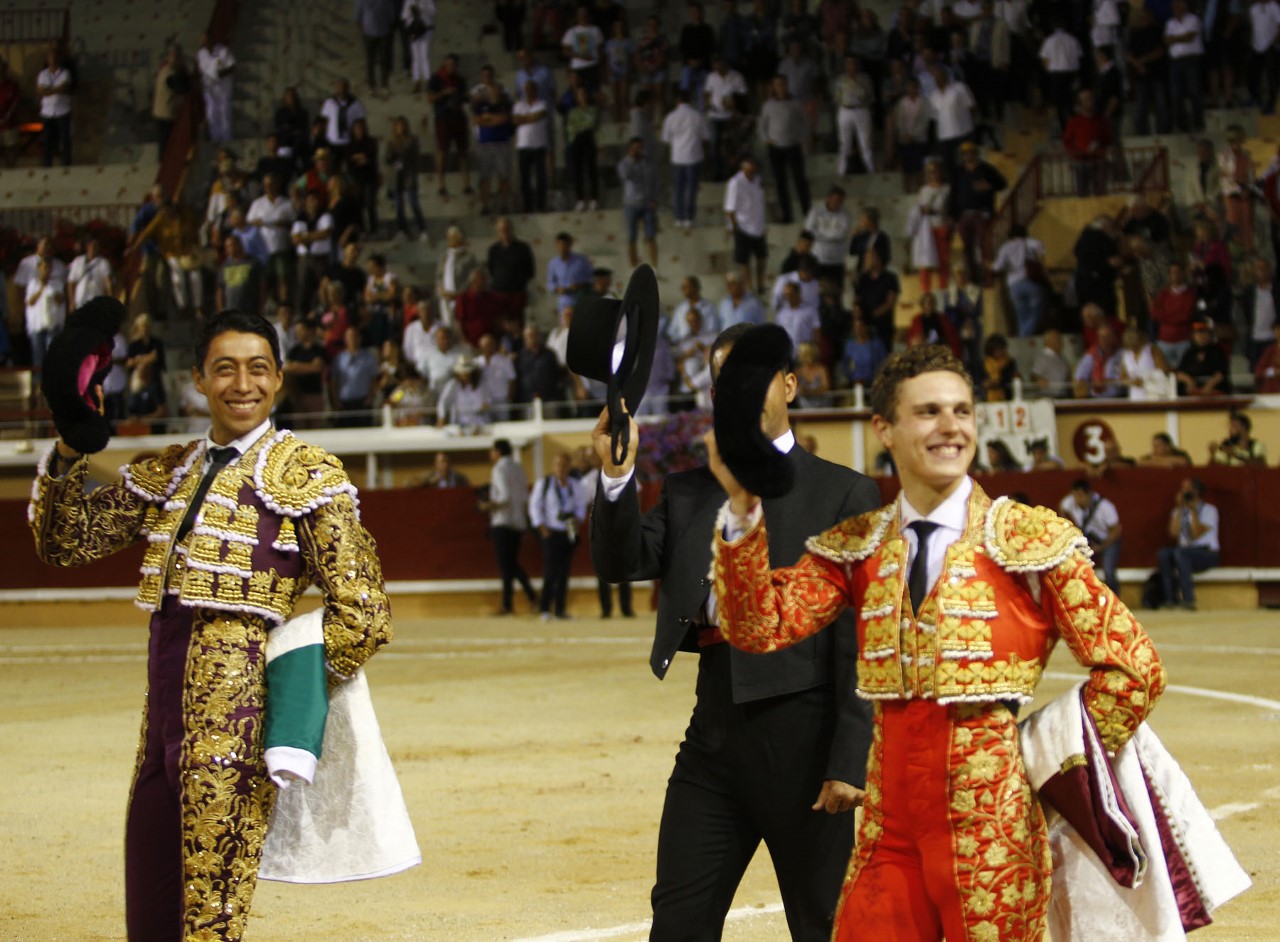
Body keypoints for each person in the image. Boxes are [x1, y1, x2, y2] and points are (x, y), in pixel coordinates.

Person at [706, 343, 1165, 942]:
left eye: (962, 411)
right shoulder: (861, 545)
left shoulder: (1027, 541)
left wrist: (1045, 764)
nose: (951, 426)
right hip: (890, 833)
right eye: (928, 412)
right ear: (885, 430)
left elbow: (1135, 670)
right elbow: (758, 626)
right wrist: (743, 511)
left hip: (992, 831)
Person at [29, 308, 391, 940]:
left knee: (208, 917)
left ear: (279, 378)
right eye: (225, 369)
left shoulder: (307, 475)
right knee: (152, 907)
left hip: (237, 727)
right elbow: (65, 541)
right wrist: (71, 441)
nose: (242, 384)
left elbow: (364, 615)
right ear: (198, 379)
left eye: (258, 368)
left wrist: (281, 695)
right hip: (161, 721)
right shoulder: (172, 470)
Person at [590, 322, 880, 942]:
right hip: (713, 734)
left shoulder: (844, 491)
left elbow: (861, 637)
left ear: (790, 386)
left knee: (825, 927)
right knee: (679, 924)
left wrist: (850, 757)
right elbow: (620, 563)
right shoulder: (689, 490)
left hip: (807, 744)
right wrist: (617, 477)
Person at [480, 439, 538, 614]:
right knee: (511, 564)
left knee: (507, 565)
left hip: (502, 521)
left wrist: (488, 505)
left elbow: (504, 496)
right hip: (518, 522)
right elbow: (525, 497)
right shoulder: (518, 468)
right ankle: (522, 600)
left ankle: (515, 602)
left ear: (498, 452)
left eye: (492, 451)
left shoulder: (499, 469)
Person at [530, 452, 586, 620]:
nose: (560, 468)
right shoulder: (544, 483)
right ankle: (545, 608)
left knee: (564, 572)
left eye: (564, 464)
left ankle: (560, 609)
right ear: (553, 466)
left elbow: (581, 507)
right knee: (550, 571)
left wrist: (576, 520)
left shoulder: (575, 485)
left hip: (568, 531)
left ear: (568, 466)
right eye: (558, 464)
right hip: (551, 531)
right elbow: (534, 506)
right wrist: (541, 526)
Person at [947, 142, 1006, 285]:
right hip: (964, 215)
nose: (968, 156)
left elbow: (1002, 183)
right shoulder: (958, 172)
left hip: (982, 213)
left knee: (984, 246)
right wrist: (952, 215)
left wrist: (989, 186)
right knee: (967, 249)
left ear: (976, 153)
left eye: (971, 152)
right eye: (965, 153)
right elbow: (953, 194)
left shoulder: (986, 169)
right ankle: (973, 279)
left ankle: (987, 277)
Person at [1157, 478, 1219, 610]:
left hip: (1206, 554)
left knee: (1181, 554)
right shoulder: (1178, 511)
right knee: (1164, 554)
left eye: (1187, 489)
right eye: (1183, 489)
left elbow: (1196, 533)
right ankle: (1170, 599)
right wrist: (1180, 509)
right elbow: (1173, 533)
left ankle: (1188, 599)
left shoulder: (1209, 510)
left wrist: (1193, 511)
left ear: (1196, 491)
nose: (1183, 492)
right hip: (1183, 553)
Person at [759, 74, 811, 224]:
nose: (780, 87)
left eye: (782, 84)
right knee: (780, 182)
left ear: (787, 85)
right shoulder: (768, 105)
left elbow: (804, 122)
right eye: (777, 85)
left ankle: (807, 211)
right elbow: (762, 125)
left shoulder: (795, 103)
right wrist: (767, 139)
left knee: (799, 180)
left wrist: (800, 137)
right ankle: (786, 215)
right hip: (776, 148)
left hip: (793, 146)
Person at [661, 88, 709, 228]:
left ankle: (678, 217)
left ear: (677, 101)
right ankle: (689, 217)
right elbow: (705, 136)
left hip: (678, 157)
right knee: (691, 188)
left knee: (678, 189)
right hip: (693, 156)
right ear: (690, 100)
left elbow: (666, 138)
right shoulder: (697, 116)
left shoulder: (670, 117)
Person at [427, 54, 472, 196]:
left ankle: (466, 183)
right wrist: (445, 92)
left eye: (453, 65)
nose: (451, 67)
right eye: (449, 65)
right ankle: (441, 184)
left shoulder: (460, 80)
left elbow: (464, 98)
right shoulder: (436, 78)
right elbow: (430, 98)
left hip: (458, 117)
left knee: (463, 151)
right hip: (443, 117)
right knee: (443, 151)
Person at [991, 223, 1046, 336]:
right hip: (1030, 282)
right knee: (1036, 313)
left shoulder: (1005, 247)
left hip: (1014, 285)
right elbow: (1040, 248)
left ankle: (1022, 337)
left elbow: (997, 267)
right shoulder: (1028, 242)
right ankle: (1024, 335)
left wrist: (989, 265)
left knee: (1021, 315)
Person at [723, 154, 768, 292]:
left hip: (758, 225)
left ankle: (760, 285)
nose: (752, 172)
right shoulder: (735, 183)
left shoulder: (757, 180)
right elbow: (730, 209)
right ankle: (749, 287)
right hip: (743, 226)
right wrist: (734, 227)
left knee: (761, 257)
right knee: (744, 261)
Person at [907, 159, 951, 292]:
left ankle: (943, 290)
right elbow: (920, 208)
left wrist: (931, 210)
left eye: (936, 171)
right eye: (930, 172)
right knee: (925, 261)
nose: (933, 175)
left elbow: (943, 208)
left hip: (940, 226)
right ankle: (926, 291)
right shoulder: (924, 190)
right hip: (925, 231)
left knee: (943, 261)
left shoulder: (946, 188)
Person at [618, 136, 660, 269]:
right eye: (636, 147)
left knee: (651, 236)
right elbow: (625, 176)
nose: (638, 150)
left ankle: (655, 266)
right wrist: (632, 160)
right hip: (631, 204)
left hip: (647, 203)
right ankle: (633, 267)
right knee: (632, 237)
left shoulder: (648, 163)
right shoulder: (624, 163)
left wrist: (655, 199)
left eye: (640, 147)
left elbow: (654, 181)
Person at [1166, 0, 1206, 132]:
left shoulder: (1193, 19)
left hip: (1191, 59)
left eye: (1177, 5)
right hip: (1175, 61)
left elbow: (1189, 37)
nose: (1175, 8)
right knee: (1176, 94)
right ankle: (1182, 125)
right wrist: (1180, 38)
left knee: (1194, 91)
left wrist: (1174, 39)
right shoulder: (1170, 22)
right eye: (1173, 6)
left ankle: (1198, 123)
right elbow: (1166, 40)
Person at [24, 256, 66, 372]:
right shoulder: (33, 283)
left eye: (49, 268)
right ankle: (38, 380)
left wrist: (50, 287)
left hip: (53, 324)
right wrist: (41, 288)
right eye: (44, 268)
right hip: (37, 325)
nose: (47, 270)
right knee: (38, 356)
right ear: (39, 268)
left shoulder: (57, 283)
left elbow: (60, 300)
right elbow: (30, 302)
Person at [805, 187, 852, 286]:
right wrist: (832, 235)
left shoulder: (845, 214)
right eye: (836, 200)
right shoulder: (816, 211)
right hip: (818, 257)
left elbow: (841, 234)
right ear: (829, 198)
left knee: (836, 288)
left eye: (840, 201)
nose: (838, 203)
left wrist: (821, 233)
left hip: (837, 259)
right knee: (818, 287)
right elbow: (809, 230)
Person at [195, 32, 235, 145]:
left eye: (205, 41)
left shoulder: (223, 51)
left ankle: (226, 138)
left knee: (224, 112)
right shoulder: (201, 54)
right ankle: (215, 137)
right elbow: (202, 70)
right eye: (202, 42)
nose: (204, 44)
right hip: (209, 88)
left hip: (223, 89)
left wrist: (220, 74)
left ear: (211, 40)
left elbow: (232, 66)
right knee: (211, 112)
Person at [1174, 318, 1231, 396]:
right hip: (1193, 392)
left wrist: (1209, 385)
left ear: (1210, 335)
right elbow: (1179, 373)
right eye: (1198, 333)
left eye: (1204, 333)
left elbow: (1221, 374)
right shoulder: (1189, 352)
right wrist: (1188, 381)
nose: (1201, 336)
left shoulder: (1217, 351)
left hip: (1213, 392)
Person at [37, 44, 73, 166]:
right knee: (47, 141)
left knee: (65, 140)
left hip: (62, 111)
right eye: (51, 56)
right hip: (47, 112)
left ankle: (66, 165)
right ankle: (47, 165)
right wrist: (56, 89)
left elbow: (64, 88)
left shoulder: (65, 73)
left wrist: (48, 90)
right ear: (47, 58)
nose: (53, 59)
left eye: (55, 56)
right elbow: (41, 91)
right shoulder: (43, 74)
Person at [1073, 323, 1124, 399]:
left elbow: (1126, 377)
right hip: (1096, 398)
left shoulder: (1122, 354)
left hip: (1118, 398)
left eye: (1108, 337)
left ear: (1114, 337)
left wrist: (1108, 382)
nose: (1105, 340)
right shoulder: (1091, 354)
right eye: (1102, 337)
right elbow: (1080, 376)